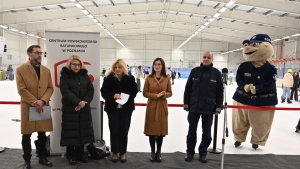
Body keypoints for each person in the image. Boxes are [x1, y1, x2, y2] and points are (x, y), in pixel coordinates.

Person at [15, 45, 54, 169]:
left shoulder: (46, 70)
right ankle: (27, 160)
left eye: (40, 53)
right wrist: (34, 102)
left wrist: (42, 101)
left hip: (42, 106)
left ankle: (42, 157)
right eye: (36, 53)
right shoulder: (21, 69)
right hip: (29, 106)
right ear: (29, 54)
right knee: (26, 135)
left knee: (42, 133)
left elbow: (50, 88)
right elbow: (21, 89)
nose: (39, 55)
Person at [183, 51, 223, 163]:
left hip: (209, 108)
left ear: (212, 59)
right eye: (204, 57)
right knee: (191, 132)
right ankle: (190, 152)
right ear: (202, 58)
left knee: (207, 133)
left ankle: (203, 153)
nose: (206, 59)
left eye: (208, 57)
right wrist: (186, 104)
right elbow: (188, 89)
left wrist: (218, 108)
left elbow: (220, 92)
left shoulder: (216, 74)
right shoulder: (194, 71)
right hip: (194, 107)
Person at [100, 59, 138, 163]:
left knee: (124, 130)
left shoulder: (130, 79)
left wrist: (123, 96)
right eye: (115, 67)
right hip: (113, 109)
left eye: (120, 67)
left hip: (126, 109)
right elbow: (103, 92)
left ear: (124, 68)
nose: (117, 69)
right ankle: (115, 152)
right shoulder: (108, 79)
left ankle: (122, 152)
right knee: (114, 130)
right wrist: (113, 96)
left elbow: (134, 91)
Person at [60, 55, 95, 165]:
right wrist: (77, 102)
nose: (76, 67)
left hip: (83, 108)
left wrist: (84, 102)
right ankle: (70, 155)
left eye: (78, 64)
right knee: (71, 132)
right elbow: (65, 91)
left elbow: (90, 90)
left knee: (82, 131)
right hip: (71, 108)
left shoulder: (85, 76)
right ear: (70, 65)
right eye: (74, 64)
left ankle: (80, 153)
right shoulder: (64, 76)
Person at [143, 57, 172, 162]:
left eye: (159, 64)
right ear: (153, 66)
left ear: (162, 66)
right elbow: (145, 93)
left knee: (160, 131)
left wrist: (164, 94)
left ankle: (158, 152)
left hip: (162, 107)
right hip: (152, 106)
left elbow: (170, 92)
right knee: (151, 131)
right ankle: (152, 151)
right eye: (155, 64)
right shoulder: (149, 78)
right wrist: (156, 95)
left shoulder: (167, 78)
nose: (157, 66)